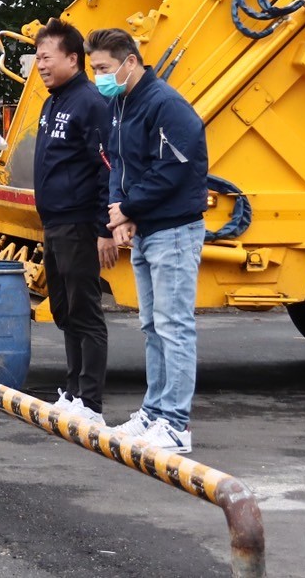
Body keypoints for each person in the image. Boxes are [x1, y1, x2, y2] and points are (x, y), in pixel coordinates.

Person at [86, 28, 209, 454]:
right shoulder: (121, 103)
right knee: (153, 325)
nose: (99, 77)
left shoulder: (166, 105)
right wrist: (119, 212)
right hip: (146, 228)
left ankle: (175, 424)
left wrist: (128, 208)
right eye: (94, 68)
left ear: (130, 62)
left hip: (174, 230)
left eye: (104, 68)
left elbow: (173, 168)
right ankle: (154, 412)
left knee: (174, 326)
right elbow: (116, 162)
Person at [31, 19, 113, 426]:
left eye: (47, 57)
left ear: (72, 59)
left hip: (80, 223)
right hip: (55, 224)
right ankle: (73, 390)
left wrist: (104, 229)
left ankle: (91, 402)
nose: (40, 65)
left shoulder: (90, 103)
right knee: (64, 310)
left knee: (85, 311)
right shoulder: (52, 102)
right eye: (37, 58)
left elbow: (106, 169)